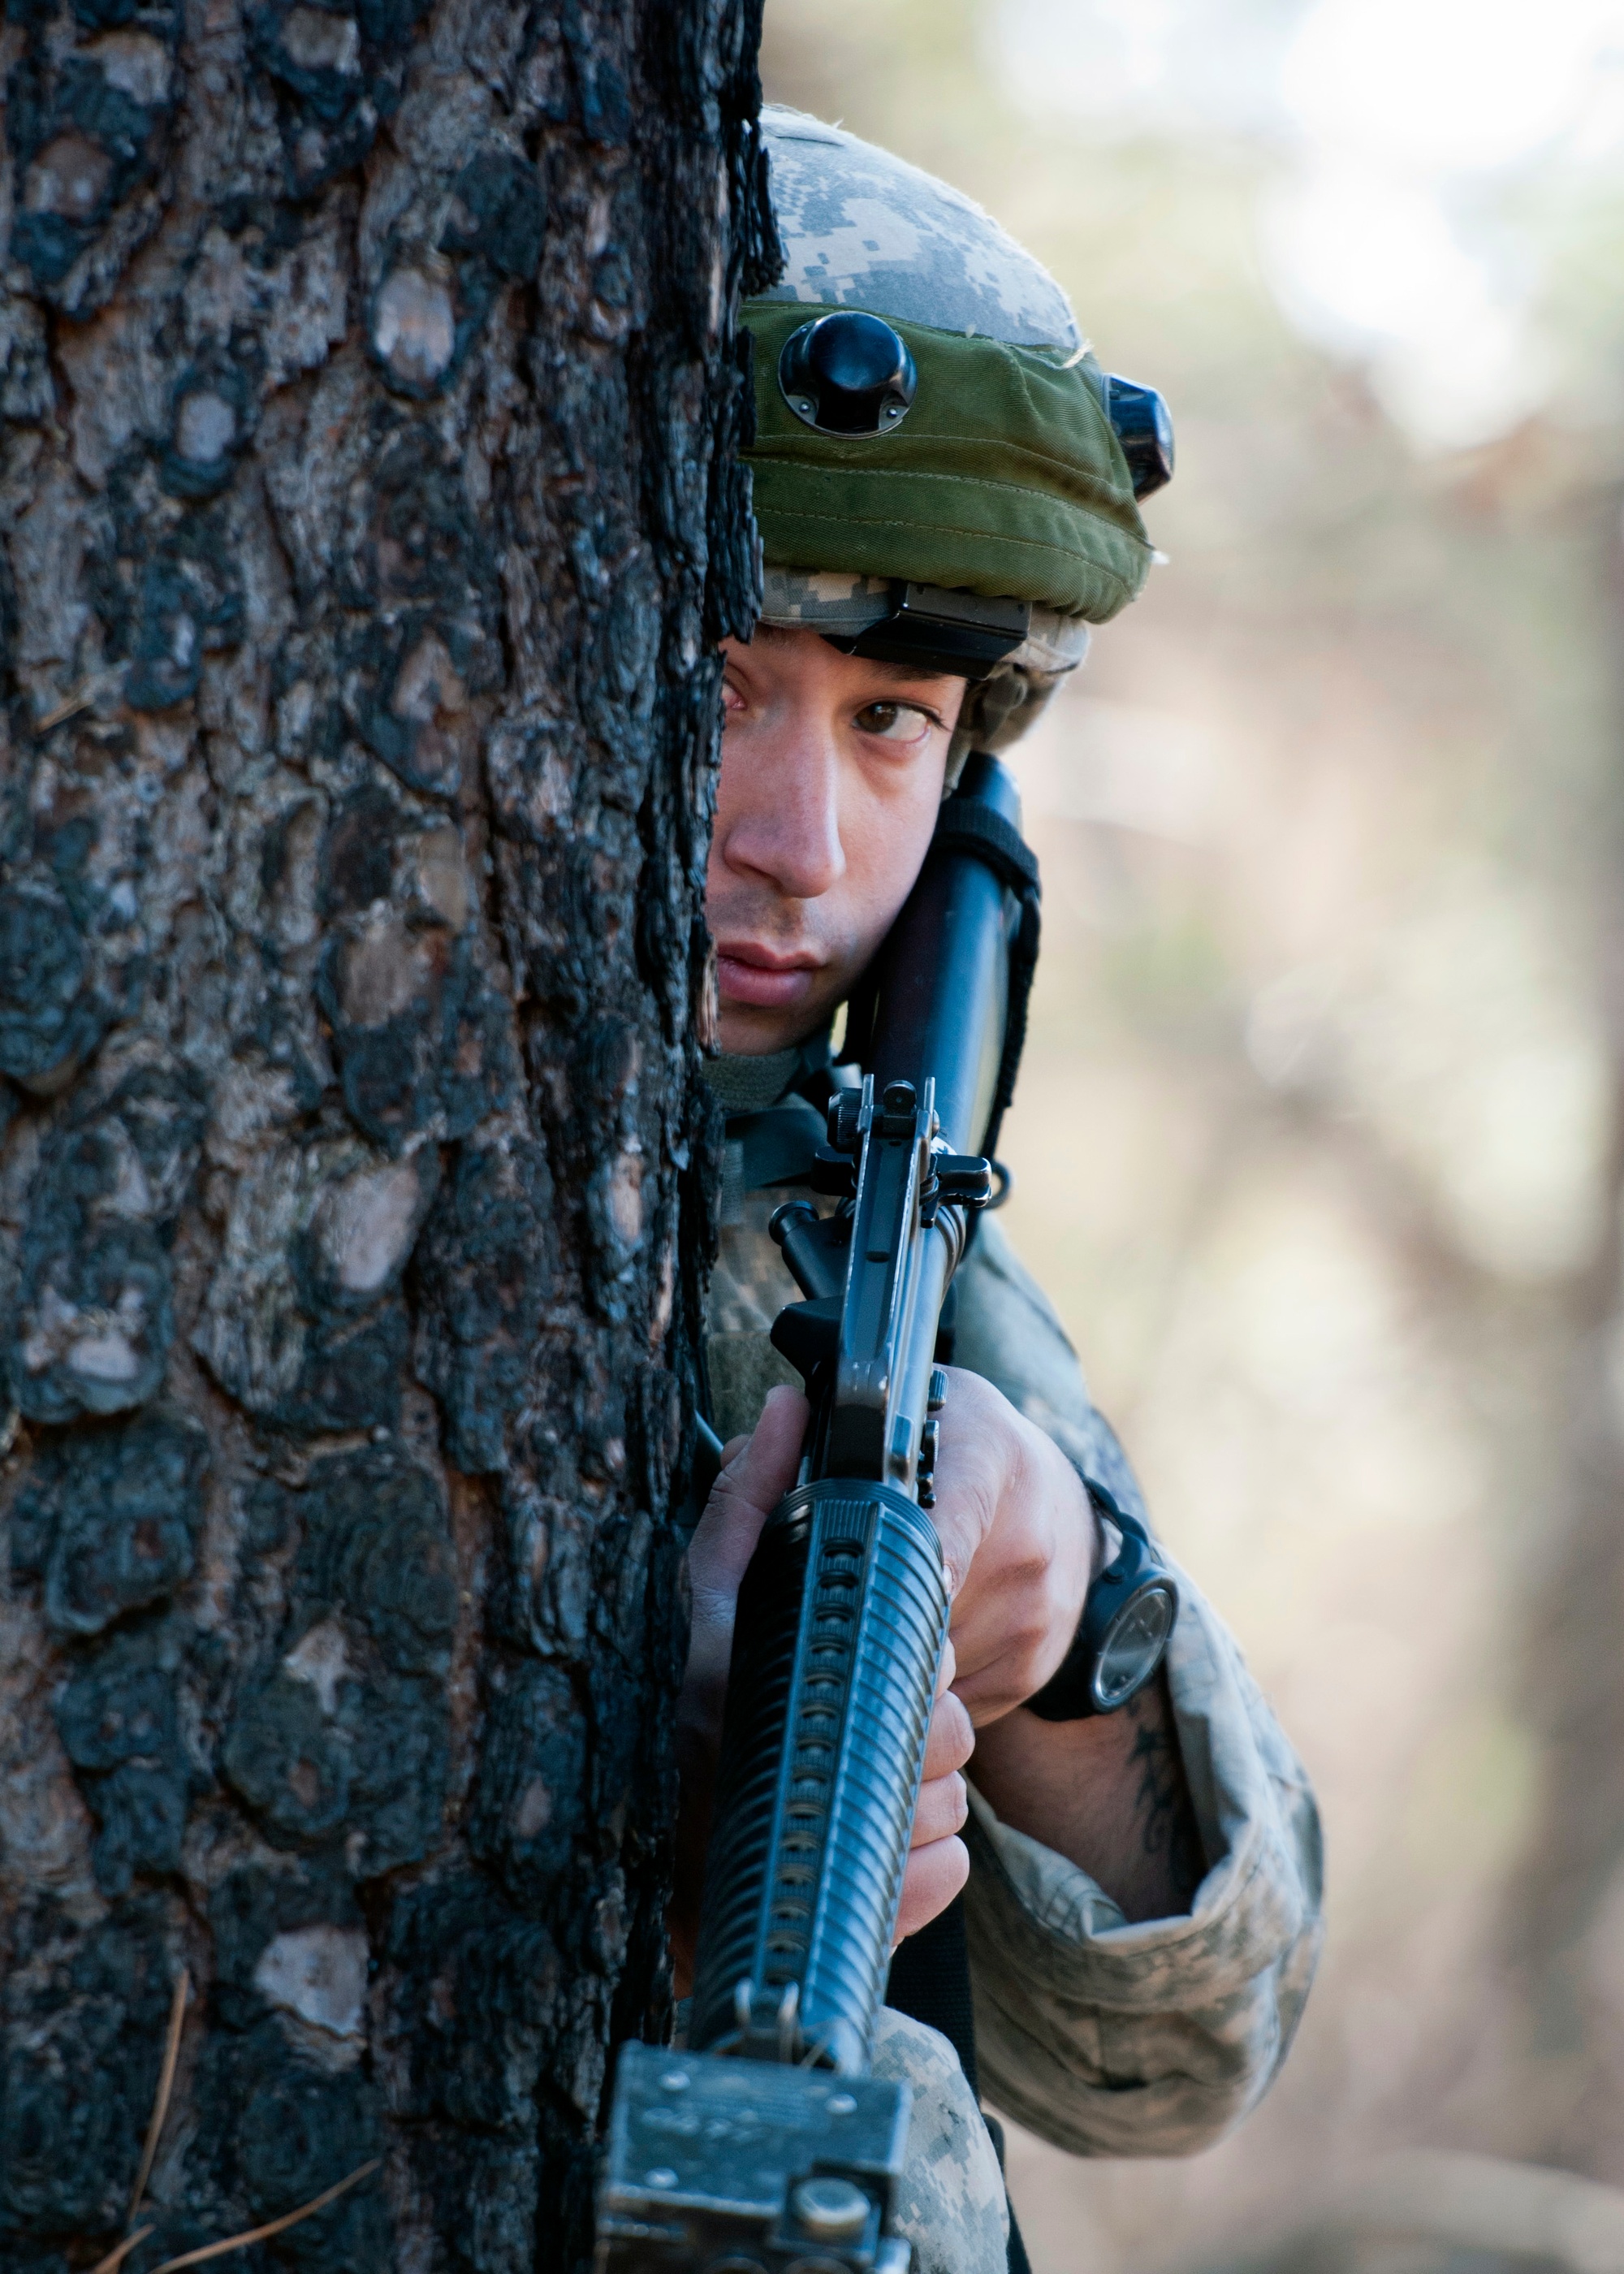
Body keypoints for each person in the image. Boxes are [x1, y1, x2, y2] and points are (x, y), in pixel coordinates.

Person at [670, 107, 1324, 2274]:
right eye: (731, 683)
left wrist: (1065, 1649)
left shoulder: (885, 1232)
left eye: (889, 723)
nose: (801, 838)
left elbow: (1189, 2054)